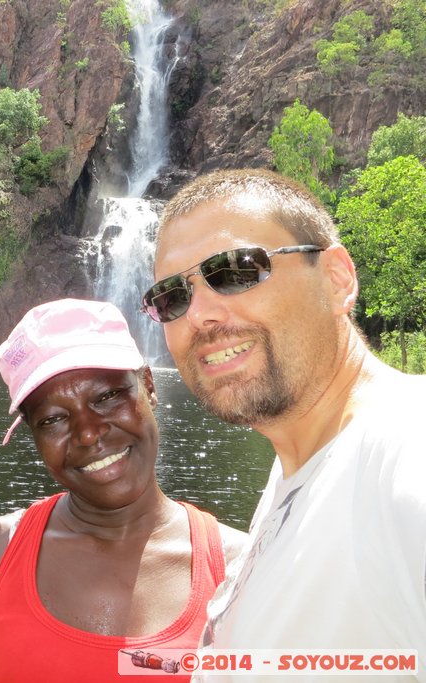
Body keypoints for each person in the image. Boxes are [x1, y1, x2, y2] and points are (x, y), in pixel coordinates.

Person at [145, 168, 426, 680]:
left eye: (234, 270)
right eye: (171, 297)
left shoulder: (405, 451)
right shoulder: (300, 474)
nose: (199, 315)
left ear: (337, 278)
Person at [0, 298, 246, 682]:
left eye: (107, 397)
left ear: (148, 386)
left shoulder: (239, 570)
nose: (88, 432)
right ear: (32, 434)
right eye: (53, 419)